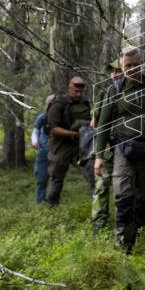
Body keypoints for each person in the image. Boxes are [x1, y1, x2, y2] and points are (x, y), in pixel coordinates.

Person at [93, 47, 145, 253]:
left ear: (141, 63)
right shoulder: (114, 89)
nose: (132, 69)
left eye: (135, 65)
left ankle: (137, 234)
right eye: (127, 66)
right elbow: (103, 123)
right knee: (123, 196)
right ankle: (122, 244)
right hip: (123, 151)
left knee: (142, 198)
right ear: (121, 67)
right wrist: (99, 155)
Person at [45, 75, 95, 206]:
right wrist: (73, 134)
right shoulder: (58, 104)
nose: (78, 94)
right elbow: (53, 128)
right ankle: (51, 207)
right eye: (76, 91)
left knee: (91, 172)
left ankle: (97, 204)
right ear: (69, 88)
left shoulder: (85, 103)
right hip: (60, 147)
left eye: (81, 91)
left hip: (80, 146)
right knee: (57, 181)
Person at [90, 60, 122, 233]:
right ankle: (98, 225)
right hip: (107, 149)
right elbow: (94, 122)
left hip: (125, 148)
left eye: (118, 70)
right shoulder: (104, 92)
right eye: (112, 71)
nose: (115, 74)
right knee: (101, 186)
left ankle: (121, 225)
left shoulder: (133, 92)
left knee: (122, 189)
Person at [30, 94, 55, 204]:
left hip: (56, 152)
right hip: (43, 152)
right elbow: (35, 132)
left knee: (56, 178)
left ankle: (52, 202)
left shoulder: (61, 118)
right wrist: (34, 142)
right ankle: (40, 202)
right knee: (42, 177)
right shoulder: (42, 117)